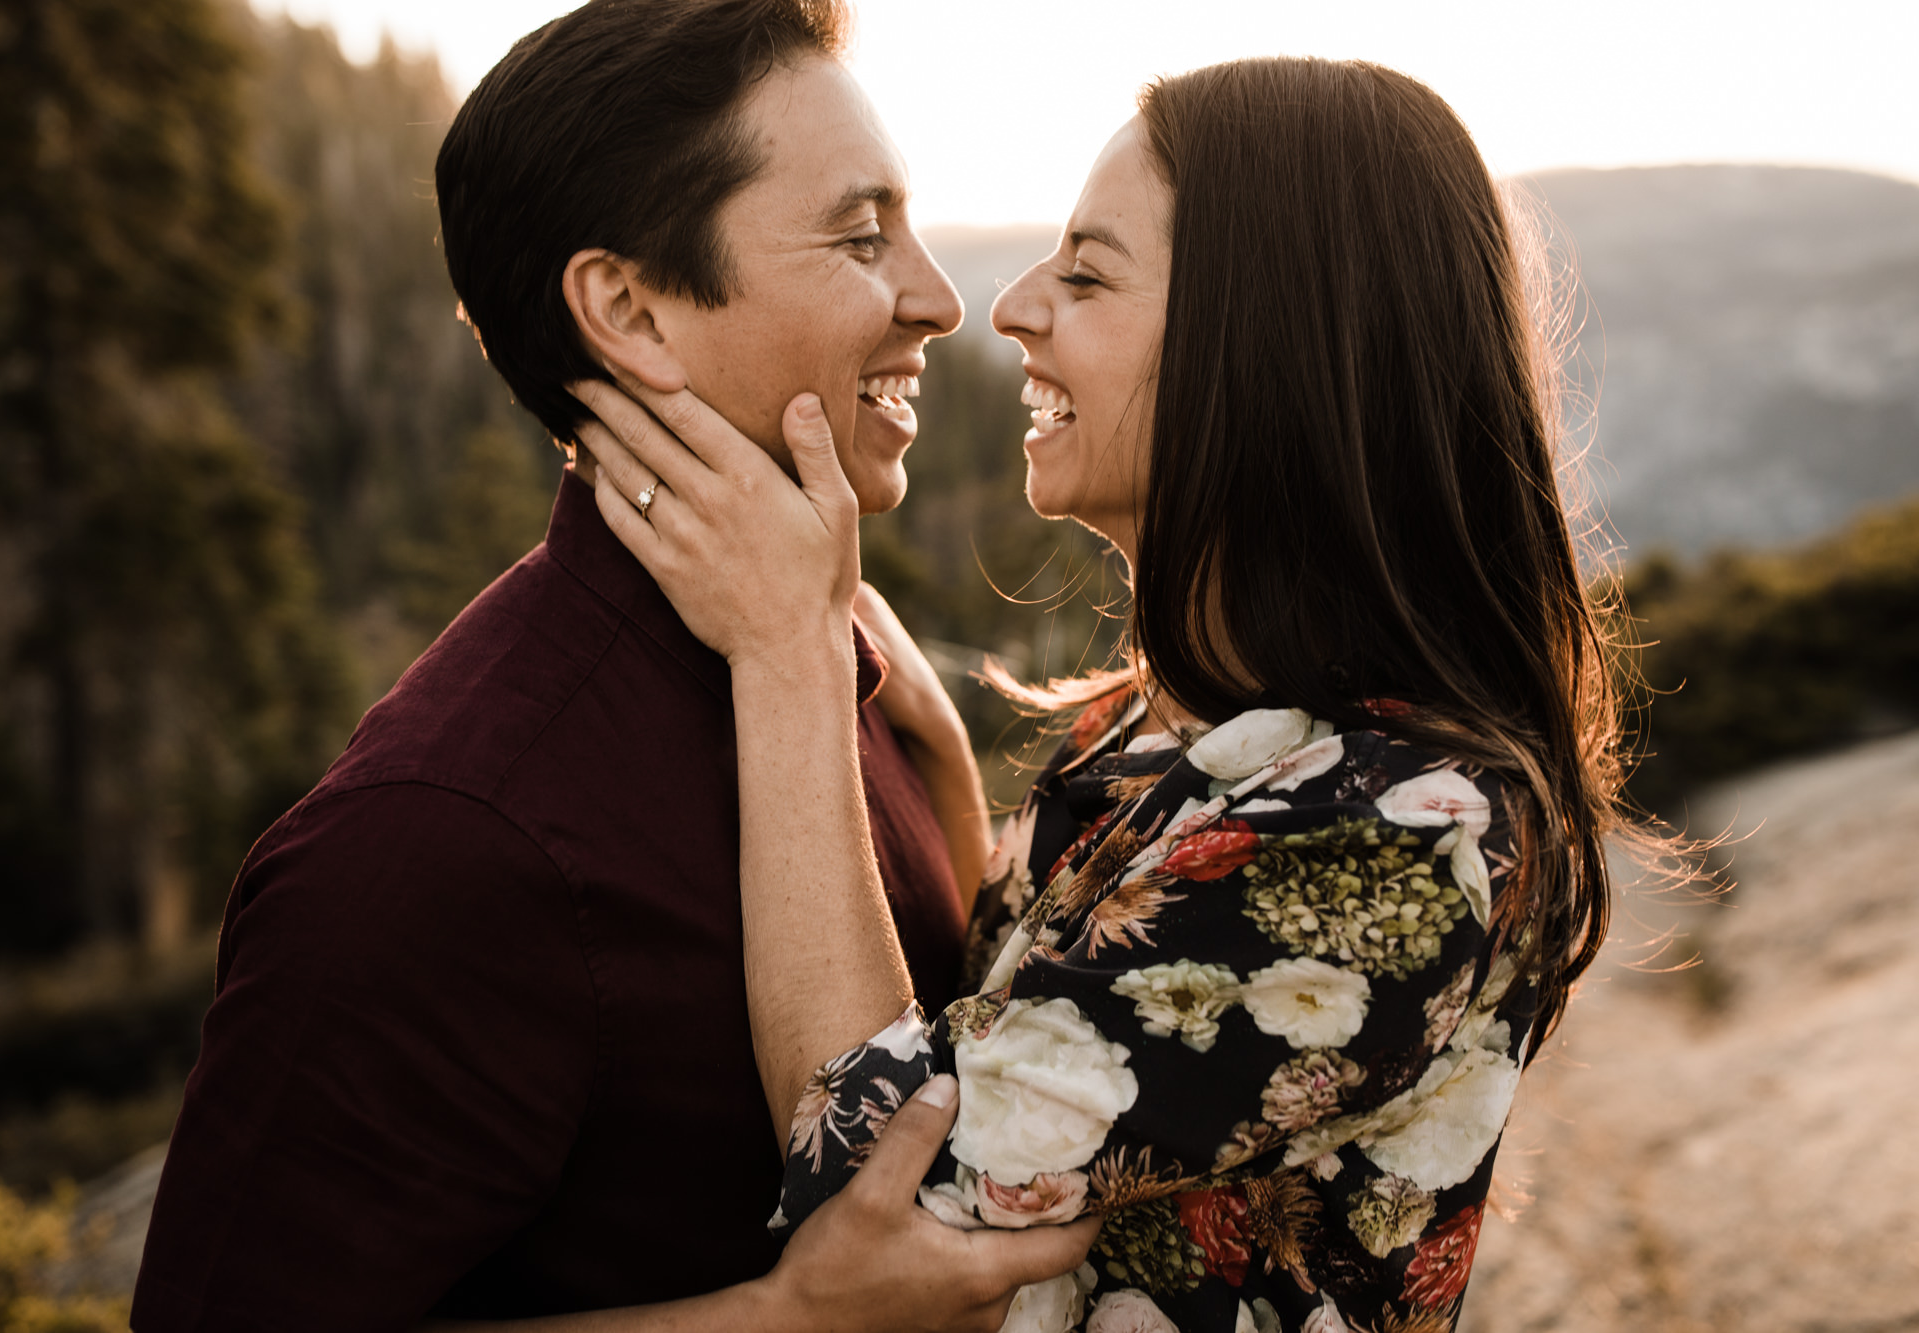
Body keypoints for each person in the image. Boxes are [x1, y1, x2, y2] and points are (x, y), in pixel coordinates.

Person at [575, 56, 1633, 1332]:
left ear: (1268, 344)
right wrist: (951, 783)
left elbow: (894, 1225)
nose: (1010, 307)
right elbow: (1020, 1027)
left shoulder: (1404, 832)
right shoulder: (1180, 724)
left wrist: (789, 661)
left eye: (1084, 274)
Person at [130, 1, 1093, 1328]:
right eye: (863, 236)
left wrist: (920, 739)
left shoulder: (821, 654)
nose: (936, 297)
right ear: (631, 310)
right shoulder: (433, 846)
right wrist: (786, 1321)